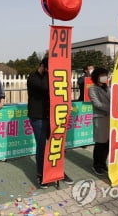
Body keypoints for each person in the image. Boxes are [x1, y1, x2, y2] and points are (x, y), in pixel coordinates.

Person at [27, 57, 74, 188]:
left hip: (53, 116)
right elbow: (44, 87)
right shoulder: (33, 78)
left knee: (56, 144)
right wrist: (53, 75)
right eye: (50, 69)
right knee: (42, 146)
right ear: (43, 67)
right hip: (38, 117)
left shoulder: (51, 77)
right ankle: (41, 174)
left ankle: (58, 172)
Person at [88, 68, 111, 175]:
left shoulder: (108, 88)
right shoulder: (92, 89)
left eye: (105, 75)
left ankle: (103, 163)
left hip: (111, 119)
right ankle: (96, 165)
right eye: (102, 75)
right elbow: (97, 104)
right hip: (100, 118)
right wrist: (111, 108)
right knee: (100, 143)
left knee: (107, 143)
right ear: (96, 76)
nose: (105, 77)